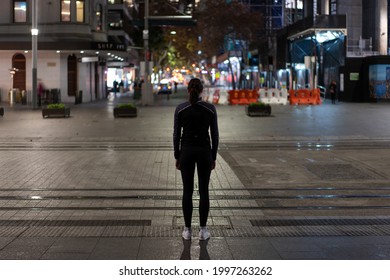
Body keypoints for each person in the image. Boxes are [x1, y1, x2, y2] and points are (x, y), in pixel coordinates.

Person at [173, 78, 219, 241]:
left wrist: (177, 155)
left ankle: (187, 230)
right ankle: (203, 230)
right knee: (204, 191)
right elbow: (214, 135)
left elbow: (176, 135)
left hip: (186, 151)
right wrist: (213, 156)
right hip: (204, 152)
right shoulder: (210, 109)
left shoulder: (180, 109)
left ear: (188, 90)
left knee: (187, 190)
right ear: (202, 91)